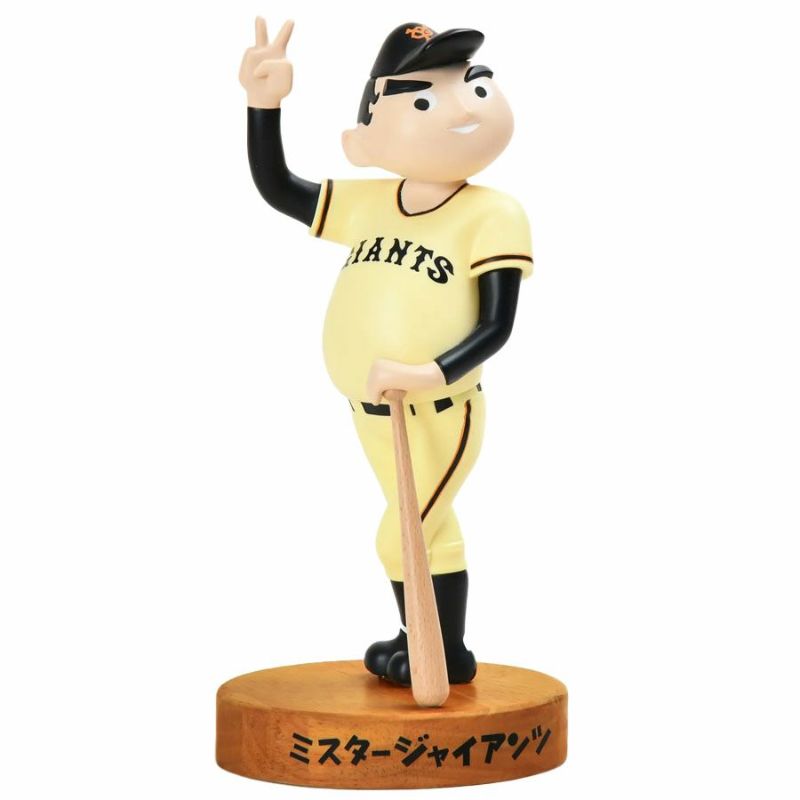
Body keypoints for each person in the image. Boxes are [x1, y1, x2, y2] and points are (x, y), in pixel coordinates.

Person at [239, 19, 533, 686]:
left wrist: (427, 372)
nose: (461, 107)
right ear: (363, 142)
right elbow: (278, 187)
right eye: (424, 99)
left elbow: (497, 327)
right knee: (429, 531)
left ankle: (437, 649)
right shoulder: (371, 201)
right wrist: (263, 105)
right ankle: (431, 644)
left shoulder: (494, 214)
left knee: (403, 530)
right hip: (370, 413)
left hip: (441, 410)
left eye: (475, 84)